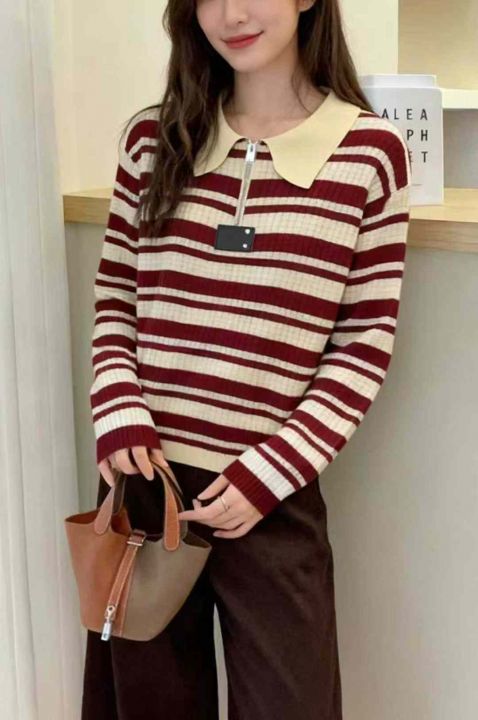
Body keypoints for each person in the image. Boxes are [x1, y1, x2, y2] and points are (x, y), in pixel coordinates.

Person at [81, 0, 411, 718]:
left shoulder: (369, 153)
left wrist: (273, 471)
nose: (232, 13)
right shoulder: (152, 139)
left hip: (271, 494)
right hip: (149, 484)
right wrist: (118, 410)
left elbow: (363, 343)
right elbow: (116, 300)